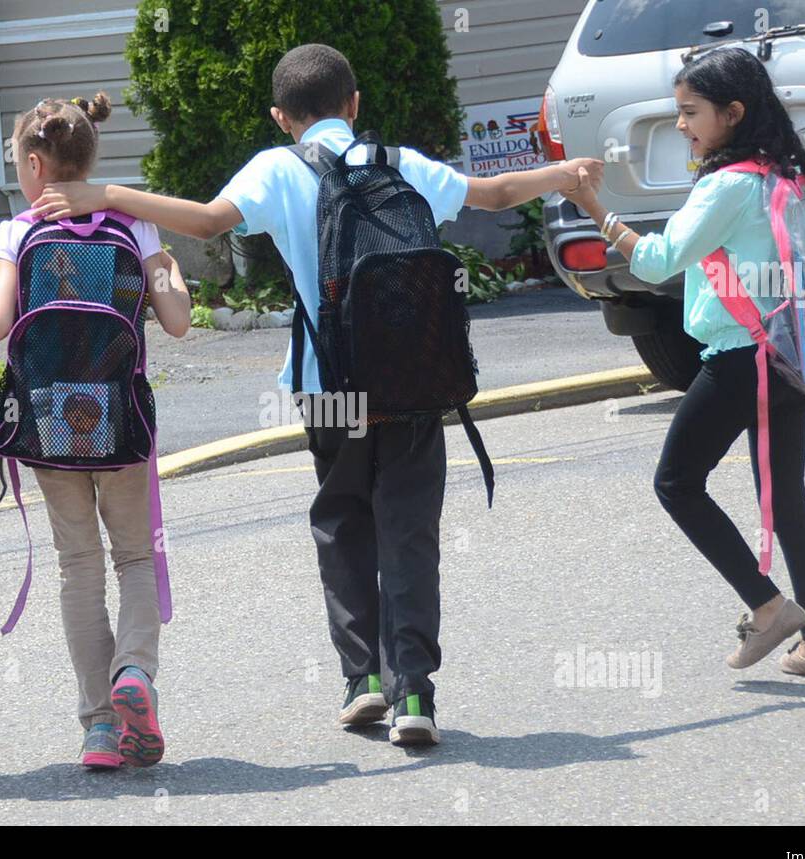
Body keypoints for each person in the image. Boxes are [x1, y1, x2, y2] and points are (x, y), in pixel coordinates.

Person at [33, 45, 604, 744]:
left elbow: (208, 221)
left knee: (341, 521)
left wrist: (108, 195)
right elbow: (492, 194)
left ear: (281, 117)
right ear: (354, 103)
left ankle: (362, 678)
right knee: (409, 530)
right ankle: (415, 693)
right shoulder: (397, 163)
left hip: (326, 384)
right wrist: (565, 176)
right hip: (415, 380)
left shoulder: (278, 168)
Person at [564, 47, 805, 681]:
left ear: (733, 112)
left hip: (742, 357)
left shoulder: (728, 184)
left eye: (691, 113)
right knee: (787, 501)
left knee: (677, 483)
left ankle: (768, 607)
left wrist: (593, 207)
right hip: (793, 350)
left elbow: (659, 260)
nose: (683, 125)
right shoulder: (786, 175)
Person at [0, 93, 192, 768]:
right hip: (122, 418)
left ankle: (100, 725)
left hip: (49, 423)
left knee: (78, 566)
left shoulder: (16, 234)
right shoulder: (136, 226)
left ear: (36, 164)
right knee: (133, 556)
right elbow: (180, 319)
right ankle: (135, 672)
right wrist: (169, 268)